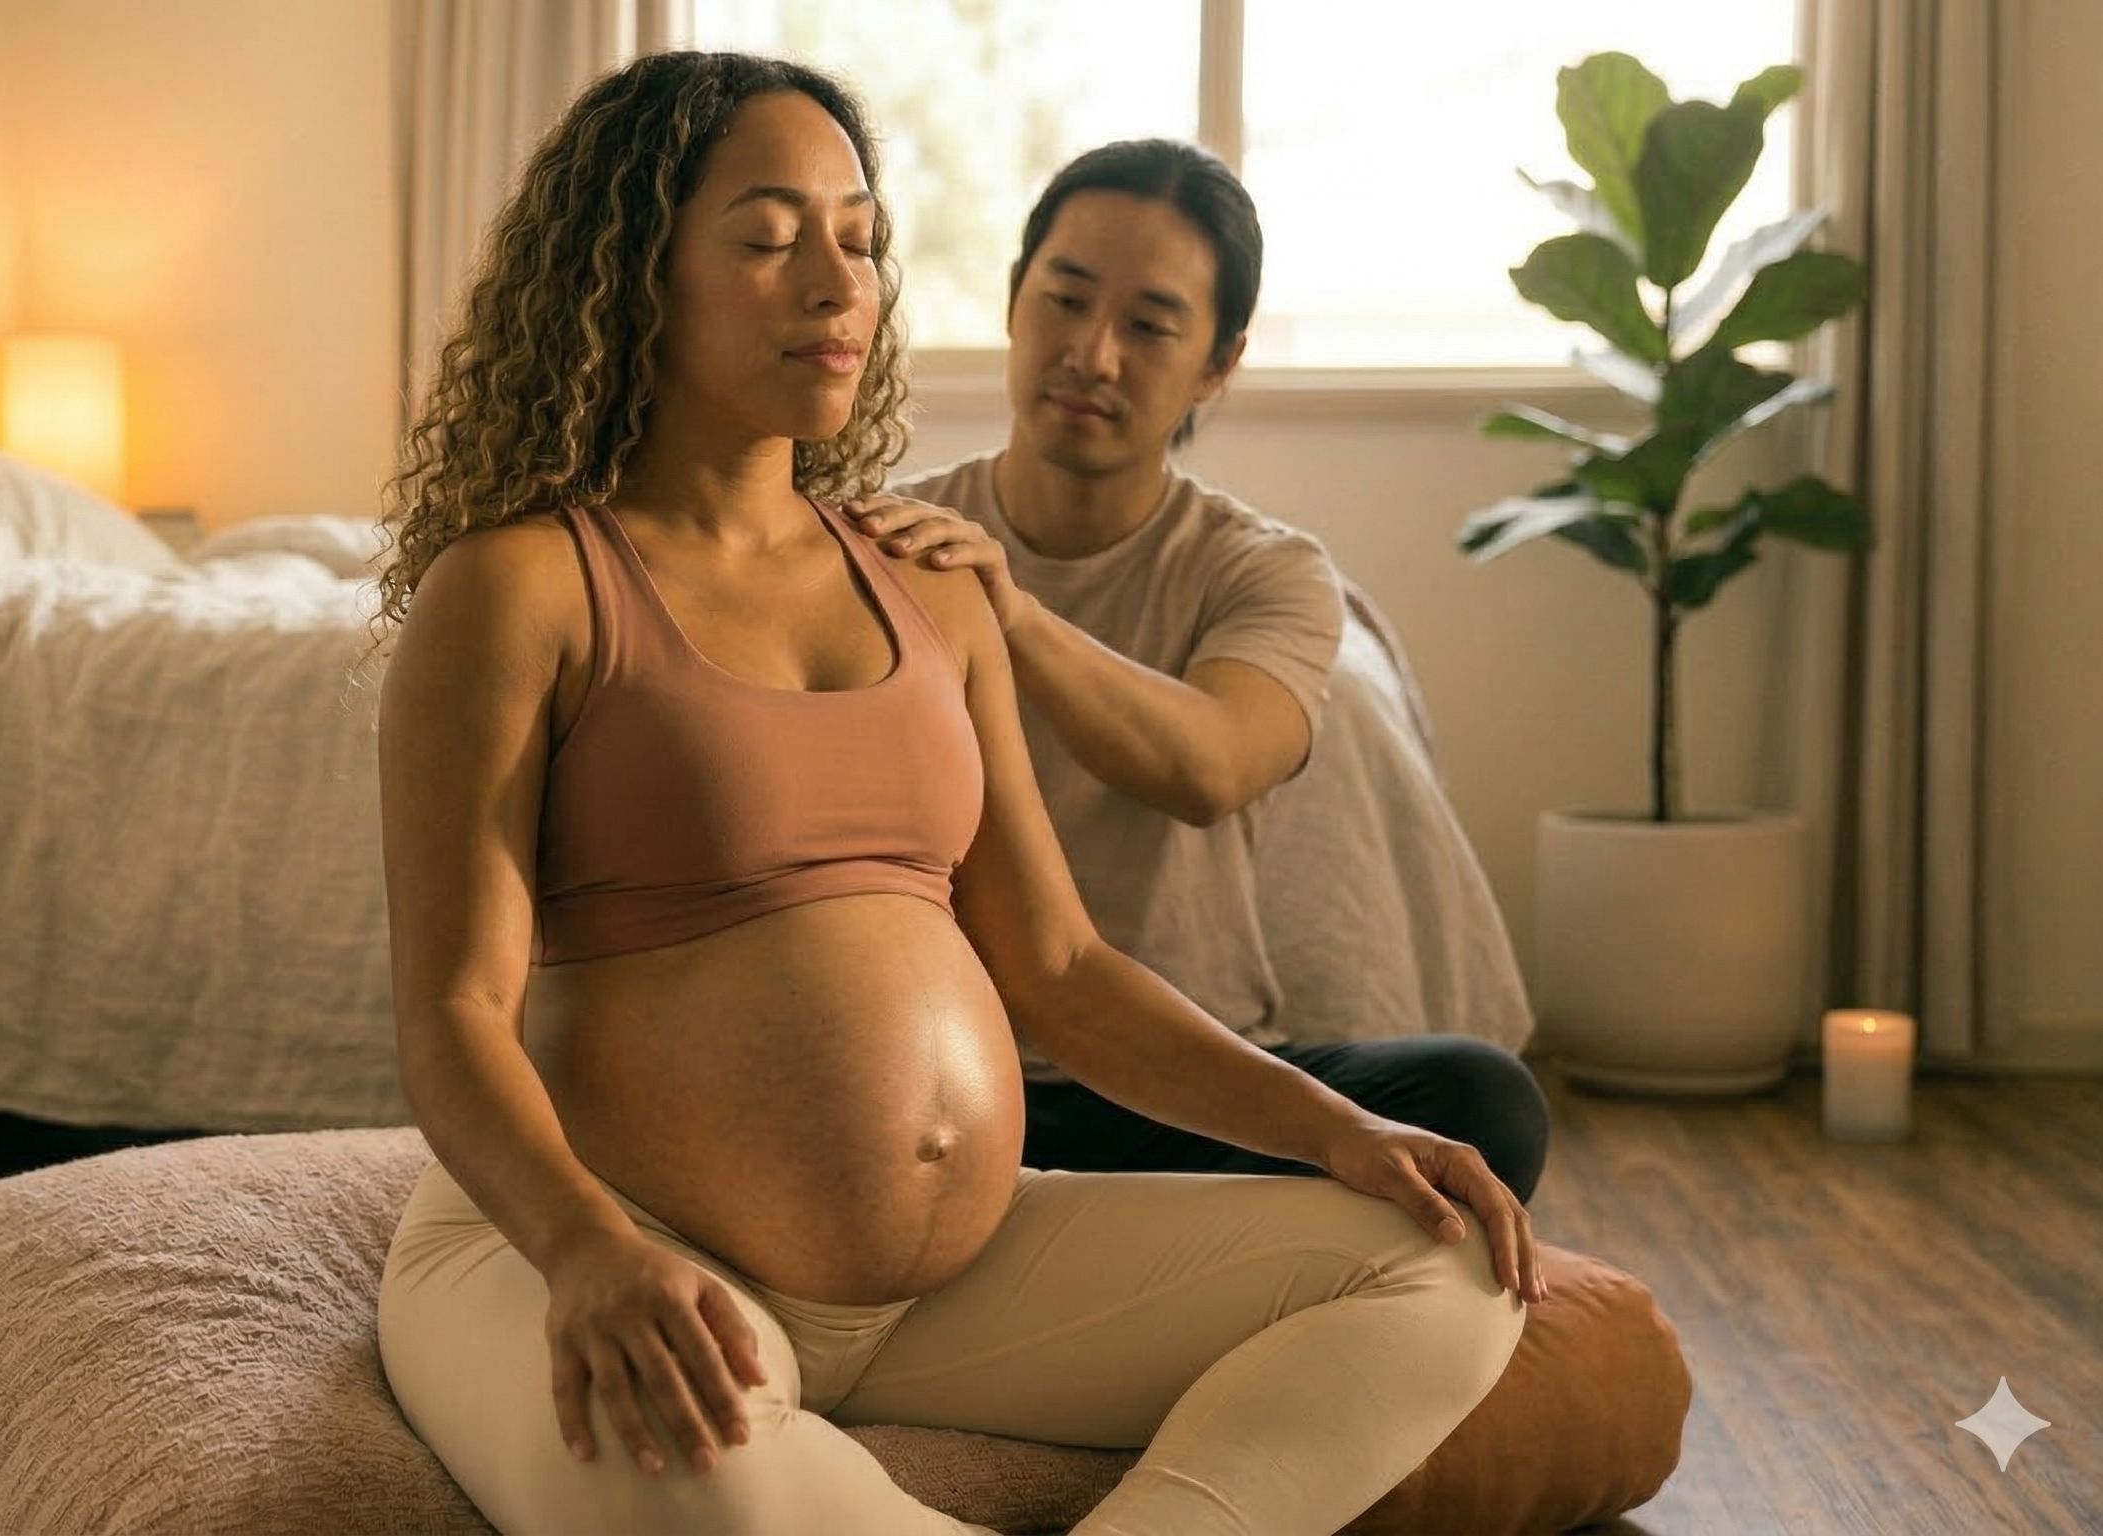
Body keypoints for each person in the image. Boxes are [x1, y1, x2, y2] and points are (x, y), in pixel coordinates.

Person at [368, 52, 1539, 1536]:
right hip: (623, 1251)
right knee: (713, 1497)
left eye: (858, 238)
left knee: (1439, 1265)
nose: (834, 282)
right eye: (768, 234)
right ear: (632, 269)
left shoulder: (929, 584)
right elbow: (452, 1012)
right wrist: (588, 1251)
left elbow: (1055, 967)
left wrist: (1335, 1131)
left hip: (947, 1287)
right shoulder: (521, 587)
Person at [855, 139, 1551, 1202]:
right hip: (944, 1074)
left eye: (1148, 326)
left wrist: (1014, 616)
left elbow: (1212, 765)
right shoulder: (887, 539)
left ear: (1217, 364)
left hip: (1193, 1088)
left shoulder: (1265, 573)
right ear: (1014, 303)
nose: (1092, 355)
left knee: (1481, 1102)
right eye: (1066, 300)